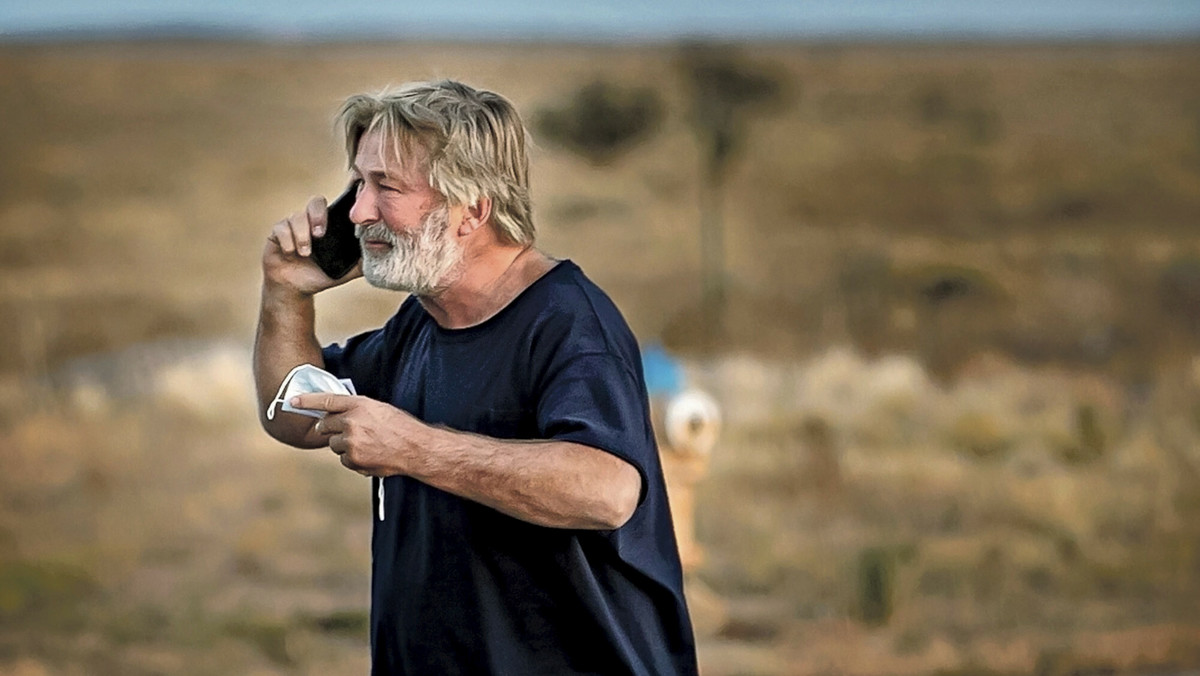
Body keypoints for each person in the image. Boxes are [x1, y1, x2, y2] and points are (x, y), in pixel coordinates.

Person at [253, 79, 698, 675]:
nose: (357, 212)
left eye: (387, 186)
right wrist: (285, 293)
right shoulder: (421, 322)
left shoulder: (568, 324)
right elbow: (293, 413)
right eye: (359, 183)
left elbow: (608, 490)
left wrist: (413, 448)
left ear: (473, 210)